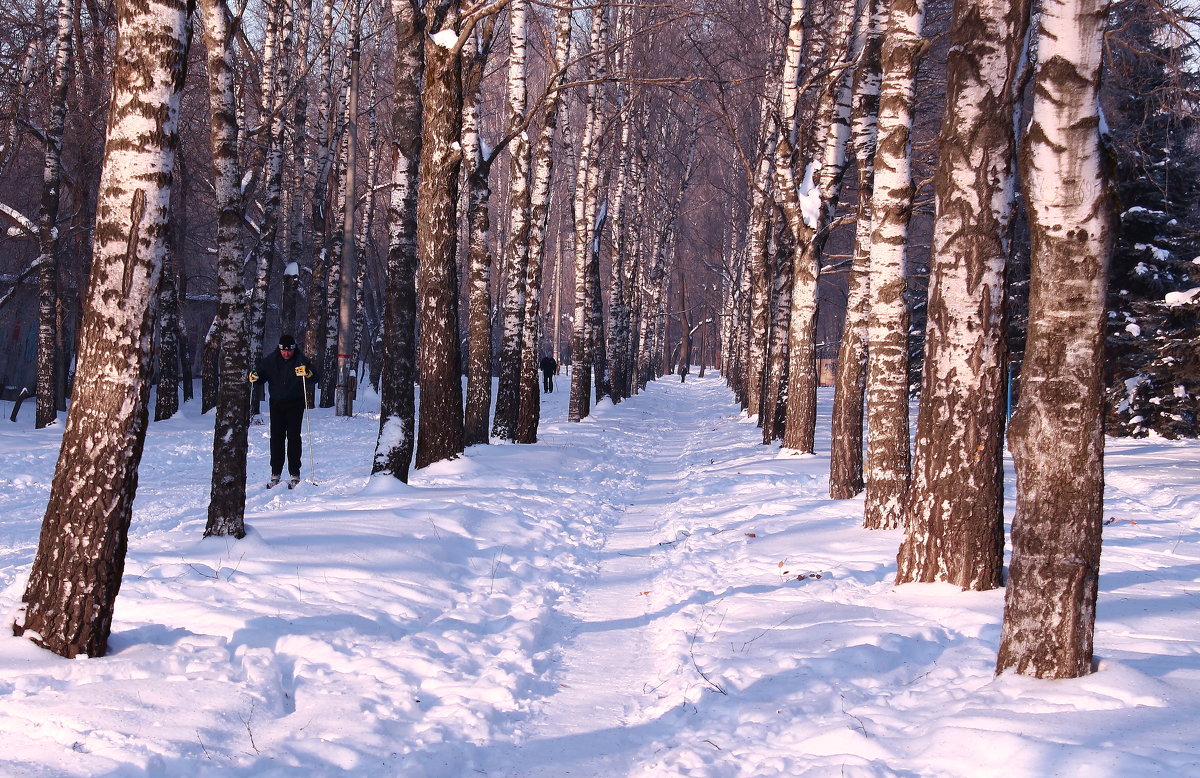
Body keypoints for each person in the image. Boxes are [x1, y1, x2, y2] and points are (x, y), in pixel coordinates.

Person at [249, 334, 318, 488]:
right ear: (279, 349)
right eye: (284, 351)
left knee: (294, 437)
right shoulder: (271, 360)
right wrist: (254, 376)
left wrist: (307, 372)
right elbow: (260, 375)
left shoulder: (301, 360)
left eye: (289, 351)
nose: (286, 353)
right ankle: (275, 473)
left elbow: (315, 377)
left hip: (295, 403)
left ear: (294, 349)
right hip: (276, 404)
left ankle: (295, 473)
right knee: (276, 438)